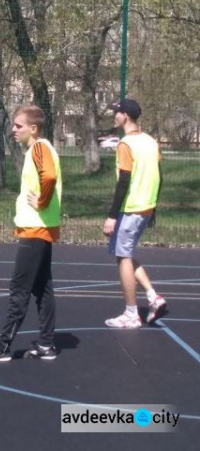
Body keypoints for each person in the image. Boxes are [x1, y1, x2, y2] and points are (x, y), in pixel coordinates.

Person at [0, 105, 62, 362]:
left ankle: (2, 347)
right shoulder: (38, 149)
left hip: (36, 228)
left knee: (19, 288)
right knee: (42, 287)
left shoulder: (40, 148)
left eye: (18, 126)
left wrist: (41, 201)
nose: (13, 130)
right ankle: (46, 344)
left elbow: (50, 176)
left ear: (33, 128)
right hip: (40, 227)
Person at [102, 98, 167, 328]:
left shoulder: (126, 144)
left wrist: (111, 215)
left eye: (116, 112)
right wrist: (154, 207)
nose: (114, 116)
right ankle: (153, 297)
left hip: (131, 208)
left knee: (123, 257)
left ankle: (131, 314)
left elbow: (124, 182)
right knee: (125, 254)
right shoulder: (150, 141)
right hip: (145, 207)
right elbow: (159, 176)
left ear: (125, 116)